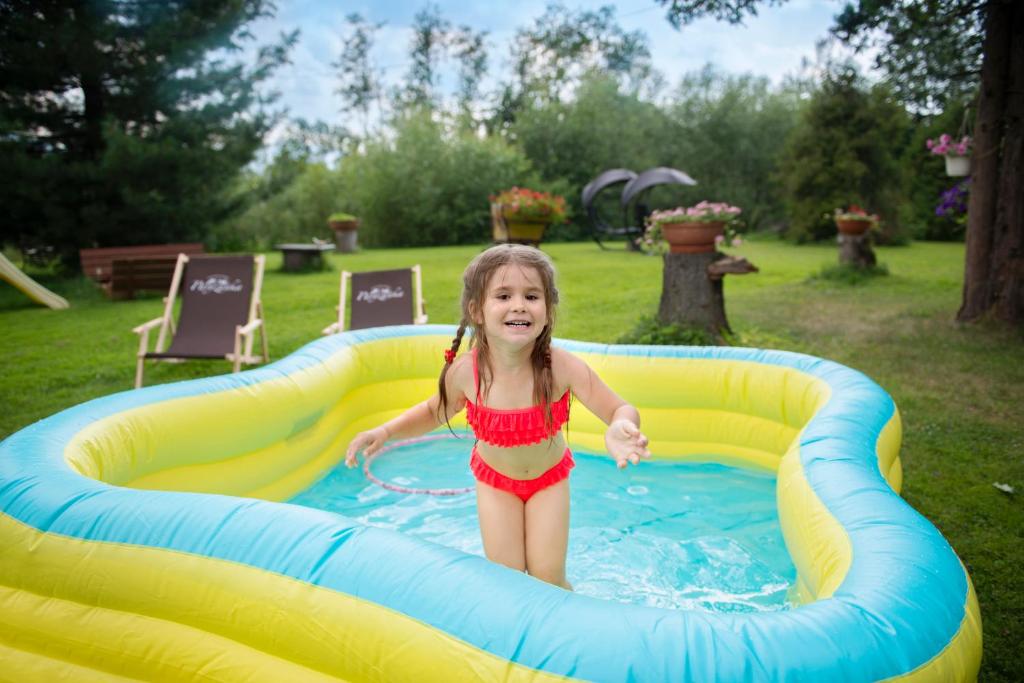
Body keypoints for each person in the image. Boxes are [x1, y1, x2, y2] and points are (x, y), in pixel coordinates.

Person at [345, 244, 650, 589]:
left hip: (547, 481)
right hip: (495, 484)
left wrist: (621, 426)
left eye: (531, 296)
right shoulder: (465, 373)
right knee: (506, 579)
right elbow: (434, 411)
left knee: (548, 577)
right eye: (503, 296)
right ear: (477, 310)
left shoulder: (560, 366)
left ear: (548, 310)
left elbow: (617, 408)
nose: (519, 304)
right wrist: (386, 431)